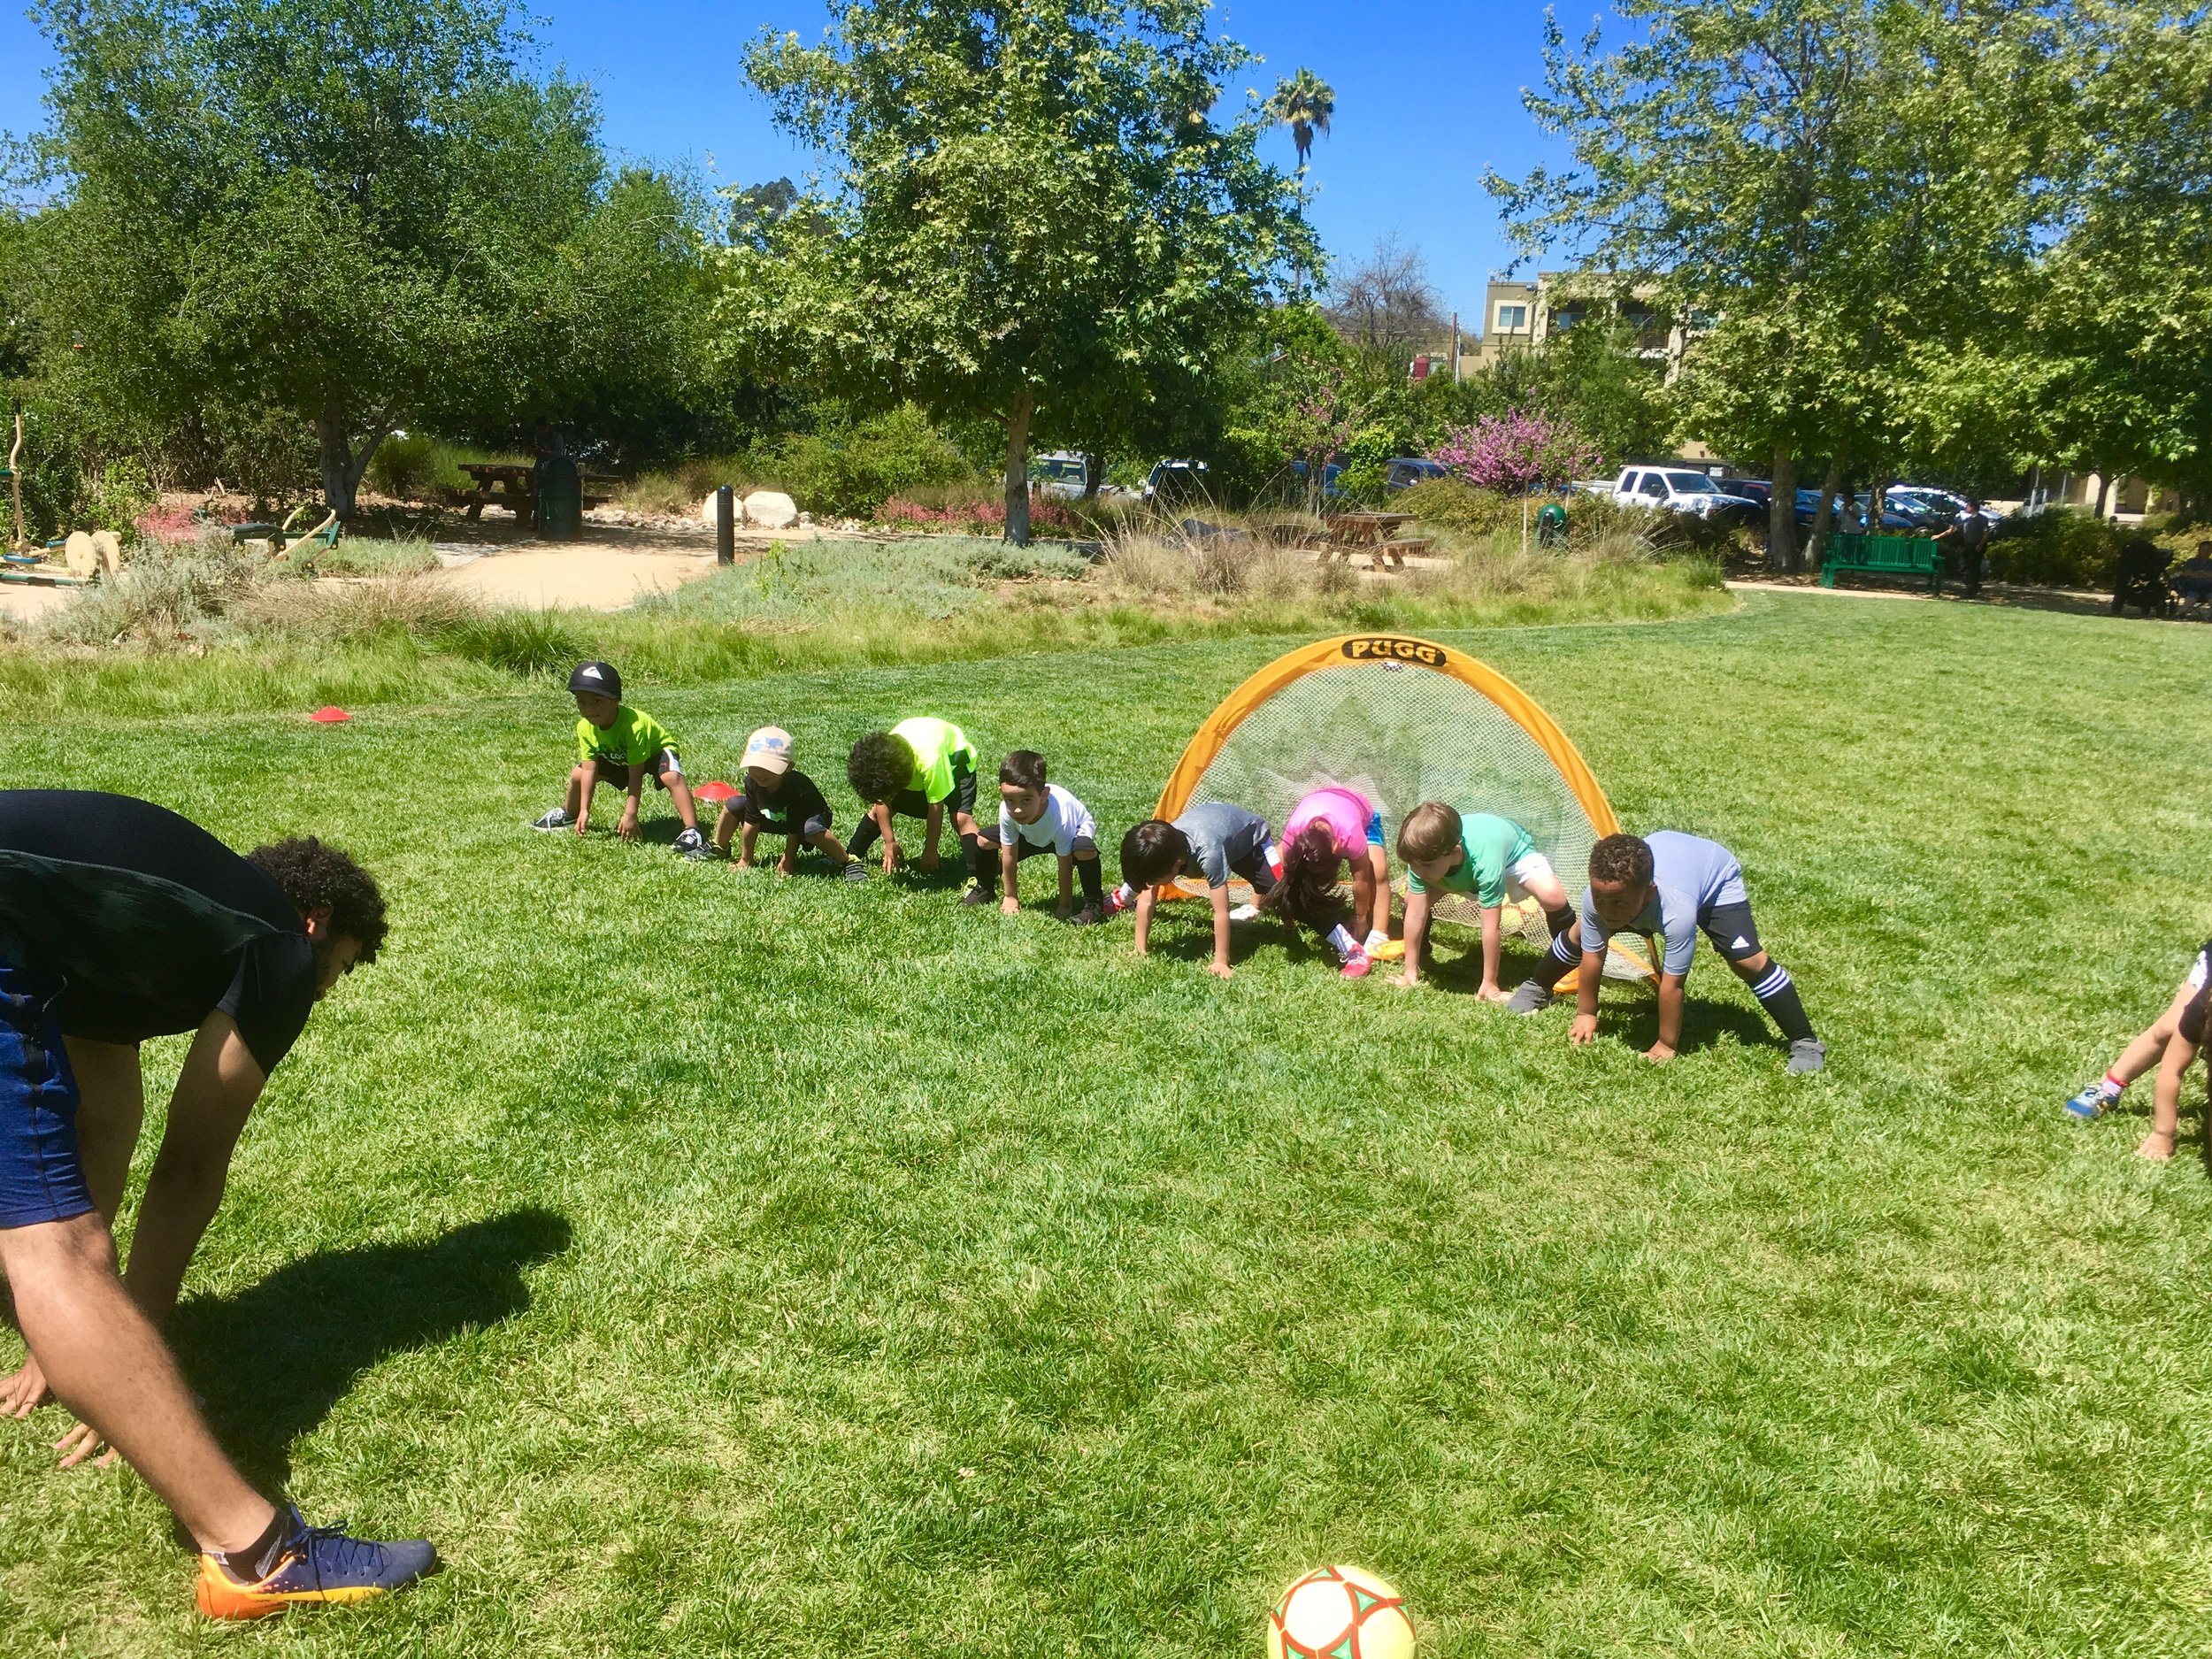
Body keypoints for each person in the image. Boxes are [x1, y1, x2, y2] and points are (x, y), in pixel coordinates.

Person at [0, 790, 436, 1617]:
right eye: (334, 970)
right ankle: (256, 1554)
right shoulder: (278, 942)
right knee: (57, 1249)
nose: (319, 993)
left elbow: (103, 1125)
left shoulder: (130, 918)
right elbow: (192, 1163)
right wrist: (132, 1346)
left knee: (46, 1236)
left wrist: (74, 1338)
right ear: (315, 922)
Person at [1504, 830, 1826, 1074]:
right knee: (1578, 934)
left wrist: (1666, 1044)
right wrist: (1586, 1013)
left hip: (1713, 877)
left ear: (1649, 894)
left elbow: (1673, 985)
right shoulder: (1598, 899)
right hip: (1662, 862)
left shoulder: (1677, 911)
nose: (1607, 909)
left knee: (1746, 961)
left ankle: (1806, 1041)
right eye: (1600, 898)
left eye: (1617, 902)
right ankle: (1538, 987)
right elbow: (1593, 957)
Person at [1392, 803, 1574, 1001]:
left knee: (1552, 896)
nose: (1417, 872)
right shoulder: (1423, 860)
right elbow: (1415, 914)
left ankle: (1571, 961)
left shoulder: (1485, 863)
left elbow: (1490, 927)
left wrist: (1490, 983)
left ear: (1454, 851)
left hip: (1512, 859)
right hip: (1455, 874)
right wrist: (1409, 970)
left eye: (1425, 865)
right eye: (1412, 865)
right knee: (1413, 901)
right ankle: (1420, 956)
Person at [530, 661, 706, 856]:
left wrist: (630, 814)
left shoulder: (634, 726)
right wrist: (584, 810)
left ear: (615, 700)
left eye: (597, 701)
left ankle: (692, 830)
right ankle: (569, 815)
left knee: (670, 776)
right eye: (581, 701)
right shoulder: (584, 727)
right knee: (578, 774)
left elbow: (635, 774)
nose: (589, 709)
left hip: (655, 752)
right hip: (619, 755)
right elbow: (590, 769)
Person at [2062, 941, 2212, 1159]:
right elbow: (2171, 1071)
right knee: (2168, 1029)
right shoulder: (2198, 1012)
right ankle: (2109, 1088)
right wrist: (2163, 1135)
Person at [1110, 803, 1279, 980]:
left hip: (1250, 839)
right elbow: (1146, 899)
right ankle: (1256, 904)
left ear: (1177, 863)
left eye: (1153, 880)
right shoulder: (1162, 850)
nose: (1151, 884)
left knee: (1280, 893)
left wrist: (1220, 961)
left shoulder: (1208, 853)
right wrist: (1140, 948)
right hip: (1218, 832)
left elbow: (1221, 911)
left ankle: (1259, 900)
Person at [1262, 785, 1393, 979]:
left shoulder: (1351, 835)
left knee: (1378, 871)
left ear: (1337, 848)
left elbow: (1362, 879)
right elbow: (1286, 871)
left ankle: (1379, 935)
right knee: (1279, 864)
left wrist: (1360, 917)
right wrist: (1286, 908)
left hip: (1363, 816)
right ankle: (1258, 905)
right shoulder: (1298, 830)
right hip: (1317, 803)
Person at [845, 717, 984, 887]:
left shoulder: (930, 760)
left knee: (961, 818)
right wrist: (889, 842)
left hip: (957, 764)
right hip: (913, 765)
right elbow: (882, 802)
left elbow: (936, 807)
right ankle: (852, 854)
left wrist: (931, 850)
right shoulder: (887, 757)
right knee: (878, 812)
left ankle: (982, 876)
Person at [712, 726, 864, 879]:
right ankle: (719, 847)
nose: (760, 773)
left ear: (789, 767)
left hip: (809, 819)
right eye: (755, 766)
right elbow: (752, 821)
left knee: (809, 829)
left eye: (769, 767)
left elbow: (794, 828)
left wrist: (788, 860)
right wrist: (746, 859)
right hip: (778, 817)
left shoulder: (795, 786)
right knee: (734, 804)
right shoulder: (752, 782)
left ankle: (847, 861)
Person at [973, 749, 1107, 921]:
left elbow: (1064, 864)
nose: (1017, 809)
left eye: (1026, 799)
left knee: (1084, 850)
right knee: (984, 840)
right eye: (1010, 800)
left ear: (1043, 795)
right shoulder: (1008, 811)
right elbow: (1008, 854)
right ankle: (985, 889)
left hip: (1072, 832)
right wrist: (1011, 897)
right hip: (1030, 833)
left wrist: (1064, 906)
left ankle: (1094, 905)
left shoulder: (1060, 816)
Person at [2172, 541, 2212, 618]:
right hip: (2193, 587)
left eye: (2208, 550)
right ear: (2199, 550)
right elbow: (2187, 573)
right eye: (2203, 550)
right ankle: (2183, 613)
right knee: (2193, 593)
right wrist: (2206, 574)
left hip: (2208, 588)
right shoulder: (2191, 562)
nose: (2205, 552)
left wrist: (2199, 572)